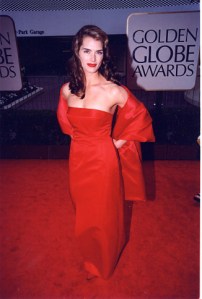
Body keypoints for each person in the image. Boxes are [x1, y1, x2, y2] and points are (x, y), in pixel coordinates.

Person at [57, 25, 155, 280]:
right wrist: (83, 141)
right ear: (77, 51)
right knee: (83, 210)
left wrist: (113, 145)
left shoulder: (114, 90)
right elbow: (67, 127)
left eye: (98, 52)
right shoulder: (67, 90)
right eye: (87, 51)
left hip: (103, 161)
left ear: (104, 55)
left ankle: (105, 259)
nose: (92, 59)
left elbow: (141, 120)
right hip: (77, 159)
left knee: (104, 212)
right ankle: (90, 250)